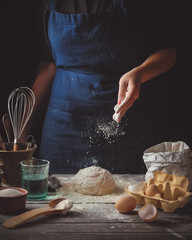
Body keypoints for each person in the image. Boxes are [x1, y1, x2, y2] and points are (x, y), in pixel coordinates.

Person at [25, 0, 177, 174]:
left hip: (126, 127)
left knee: (129, 195)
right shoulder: (48, 4)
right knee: (60, 196)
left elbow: (168, 53)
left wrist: (141, 73)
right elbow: (48, 66)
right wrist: (22, 130)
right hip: (63, 132)